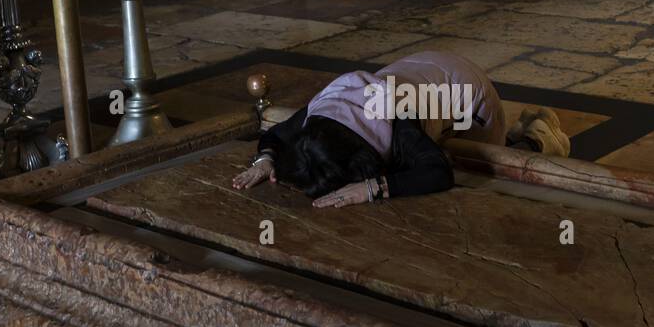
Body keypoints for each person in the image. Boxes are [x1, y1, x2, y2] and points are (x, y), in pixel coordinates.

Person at [231, 51, 569, 208]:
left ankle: (539, 135)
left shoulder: (399, 122)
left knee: (485, 170)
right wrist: (265, 160)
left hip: (469, 92)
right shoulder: (323, 115)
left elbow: (438, 173)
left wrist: (373, 188)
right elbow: (277, 136)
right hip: (425, 68)